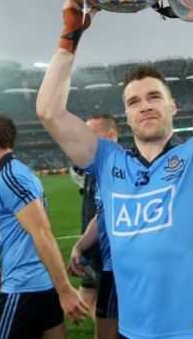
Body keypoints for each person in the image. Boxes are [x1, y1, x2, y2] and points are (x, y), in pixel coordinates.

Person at [36, 0, 193, 338]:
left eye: (155, 97)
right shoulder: (108, 161)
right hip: (132, 333)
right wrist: (69, 35)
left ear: (172, 105)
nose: (145, 107)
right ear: (126, 115)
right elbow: (49, 111)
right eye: (134, 101)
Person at [0, 114, 88, 338]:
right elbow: (25, 232)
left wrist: (65, 291)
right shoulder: (18, 172)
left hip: (24, 289)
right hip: (39, 284)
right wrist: (5, 265)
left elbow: (41, 231)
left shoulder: (10, 177)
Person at [69, 114, 120, 339]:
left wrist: (85, 250)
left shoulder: (115, 170)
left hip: (106, 260)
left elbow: (105, 218)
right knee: (81, 303)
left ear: (109, 137)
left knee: (106, 323)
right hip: (93, 255)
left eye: (90, 134)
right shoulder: (94, 166)